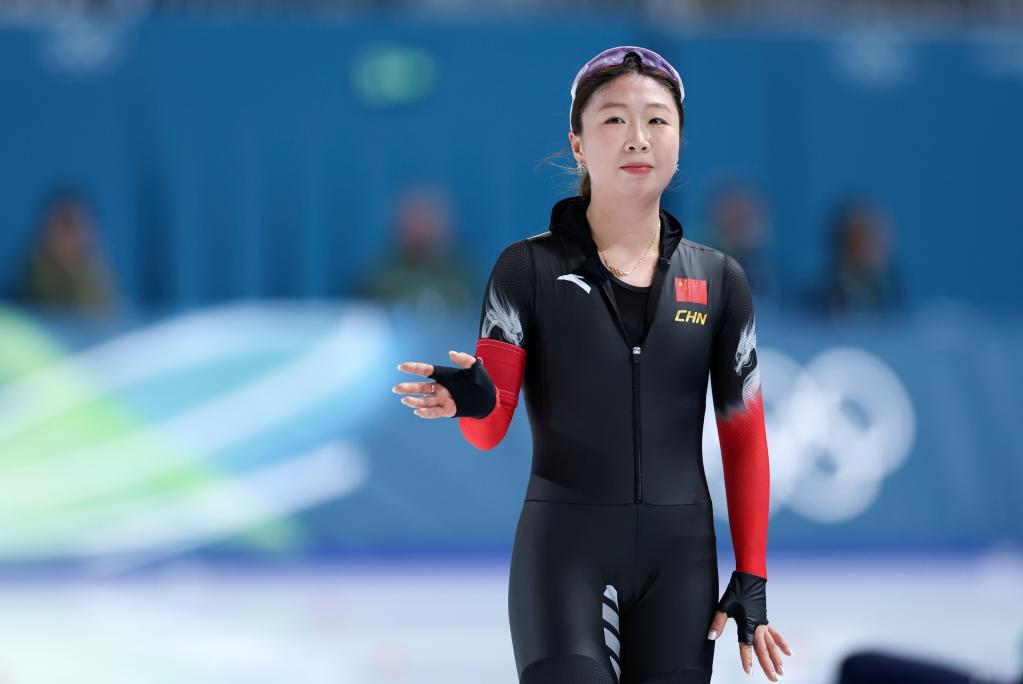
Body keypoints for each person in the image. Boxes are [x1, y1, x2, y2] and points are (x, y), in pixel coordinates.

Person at [393, 46, 791, 683]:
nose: (638, 137)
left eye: (657, 119)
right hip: (563, 557)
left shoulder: (720, 280)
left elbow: (743, 437)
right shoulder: (526, 270)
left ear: (680, 140)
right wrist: (473, 398)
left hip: (681, 566)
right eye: (614, 119)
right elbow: (488, 430)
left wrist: (753, 573)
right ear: (577, 144)